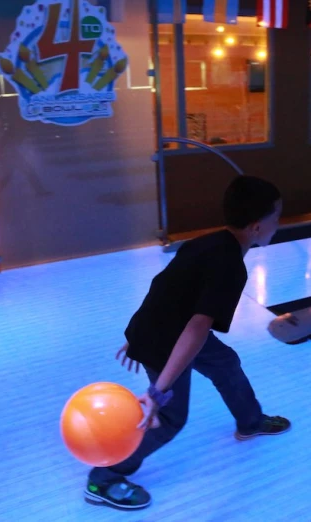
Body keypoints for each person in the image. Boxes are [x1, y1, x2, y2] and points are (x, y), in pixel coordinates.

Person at [85, 175, 291, 510]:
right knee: (168, 418)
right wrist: (157, 390)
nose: (278, 224)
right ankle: (104, 477)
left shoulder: (207, 242)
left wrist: (134, 333)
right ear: (256, 227)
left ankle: (250, 422)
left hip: (163, 330)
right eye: (276, 218)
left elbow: (161, 287)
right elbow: (196, 328)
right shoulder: (229, 267)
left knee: (225, 363)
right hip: (169, 342)